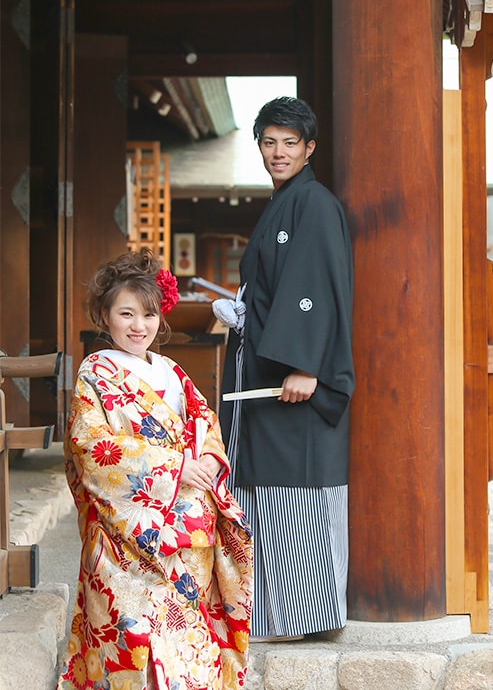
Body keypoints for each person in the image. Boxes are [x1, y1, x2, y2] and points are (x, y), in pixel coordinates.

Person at [57, 248, 253, 690]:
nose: (138, 326)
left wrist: (205, 459)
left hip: (187, 532)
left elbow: (206, 424)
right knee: (129, 639)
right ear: (104, 315)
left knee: (186, 644)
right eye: (126, 313)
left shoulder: (172, 371)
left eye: (147, 314)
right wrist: (174, 467)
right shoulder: (97, 373)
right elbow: (91, 447)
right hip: (126, 533)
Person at [215, 96, 354, 641]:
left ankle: (303, 618)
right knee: (267, 494)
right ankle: (273, 614)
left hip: (293, 377)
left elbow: (314, 288)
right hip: (264, 372)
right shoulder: (282, 202)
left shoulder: (313, 204)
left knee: (297, 491)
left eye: (289, 143)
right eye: (269, 142)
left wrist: (305, 364)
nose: (278, 152)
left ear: (309, 148)